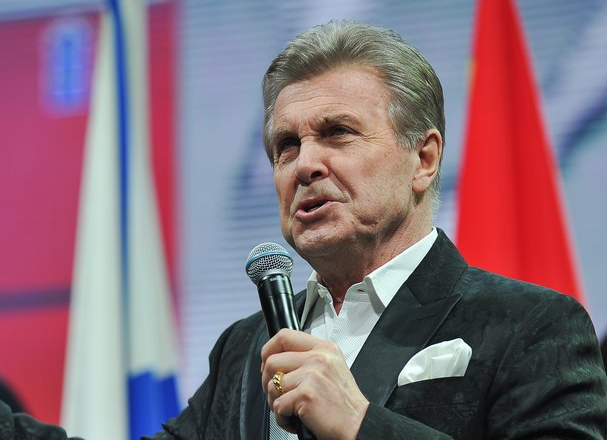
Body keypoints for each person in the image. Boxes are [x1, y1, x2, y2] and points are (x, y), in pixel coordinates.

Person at [1, 19, 606, 440]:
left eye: (337, 132)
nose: (305, 164)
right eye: (286, 146)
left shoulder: (531, 324)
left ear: (423, 159)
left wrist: (361, 425)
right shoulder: (244, 347)